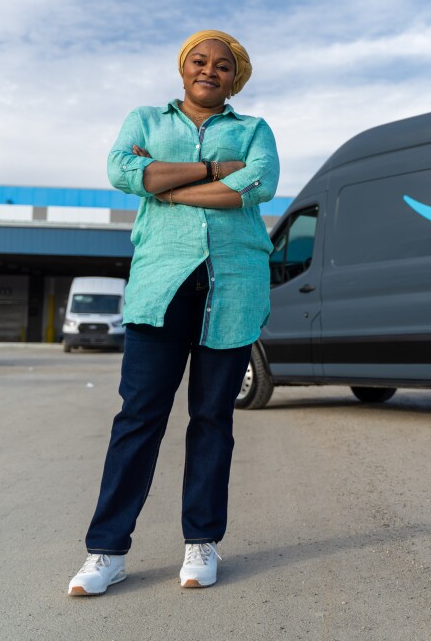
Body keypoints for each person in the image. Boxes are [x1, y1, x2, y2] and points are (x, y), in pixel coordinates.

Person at [68, 30, 279, 596]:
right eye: (199, 61)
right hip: (160, 286)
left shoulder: (254, 130)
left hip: (232, 288)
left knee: (212, 418)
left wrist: (162, 183)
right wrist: (213, 171)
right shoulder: (144, 121)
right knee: (138, 418)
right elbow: (121, 171)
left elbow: (256, 186)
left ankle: (201, 541)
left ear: (236, 78)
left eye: (223, 65)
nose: (210, 70)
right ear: (183, 68)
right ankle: (106, 550)